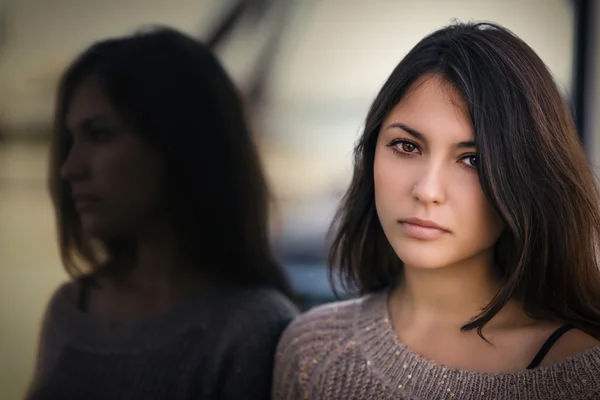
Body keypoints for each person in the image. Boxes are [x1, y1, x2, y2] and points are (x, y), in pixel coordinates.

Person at [273, 22, 600, 400]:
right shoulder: (312, 351)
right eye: (406, 146)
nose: (427, 191)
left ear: (528, 177)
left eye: (472, 159)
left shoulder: (583, 372)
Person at [27, 26, 298, 400]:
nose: (70, 168)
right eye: (71, 140)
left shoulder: (251, 329)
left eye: (100, 134)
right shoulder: (71, 309)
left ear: (179, 144)